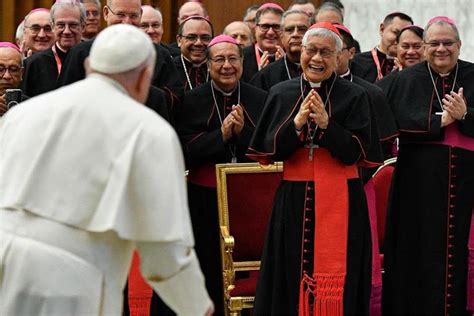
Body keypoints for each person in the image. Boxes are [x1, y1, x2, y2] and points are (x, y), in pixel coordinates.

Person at [0, 23, 213, 316]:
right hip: (70, 280)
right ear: (144, 77)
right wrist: (196, 306)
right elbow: (165, 249)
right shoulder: (149, 131)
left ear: (89, 66)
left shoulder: (22, 113)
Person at [248, 22, 380, 315]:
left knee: (341, 275)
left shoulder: (356, 96)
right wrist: (295, 125)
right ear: (301, 52)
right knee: (289, 270)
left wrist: (326, 126)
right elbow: (267, 152)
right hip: (293, 199)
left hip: (343, 200)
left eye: (325, 53)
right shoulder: (282, 93)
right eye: (311, 51)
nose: (317, 59)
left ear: (338, 58)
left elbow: (356, 154)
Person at [381, 16, 474, 316]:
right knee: (415, 253)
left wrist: (466, 115)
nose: (441, 49)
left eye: (448, 43)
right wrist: (437, 121)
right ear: (424, 48)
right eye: (434, 43)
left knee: (461, 254)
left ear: (460, 46)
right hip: (416, 184)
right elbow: (387, 122)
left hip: (468, 184)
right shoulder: (402, 81)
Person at [176, 35, 267, 315]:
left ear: (242, 62)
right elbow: (184, 149)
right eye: (219, 59)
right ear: (208, 63)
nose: (227, 65)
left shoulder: (260, 98)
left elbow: (268, 146)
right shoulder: (190, 101)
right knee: (208, 266)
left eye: (233, 59)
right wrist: (222, 135)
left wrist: (241, 135)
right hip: (203, 198)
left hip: (249, 201)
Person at [57, 0, 180, 119]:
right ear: (106, 13)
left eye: (133, 16)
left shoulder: (158, 55)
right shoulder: (80, 53)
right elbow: (65, 101)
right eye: (120, 14)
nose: (127, 22)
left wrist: (138, 88)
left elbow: (175, 101)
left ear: (140, 15)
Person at [22, 1, 85, 97]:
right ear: (53, 26)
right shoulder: (33, 64)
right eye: (61, 25)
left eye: (73, 25)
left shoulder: (94, 57)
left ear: (83, 26)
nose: (67, 31)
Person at [249, 9, 310, 90]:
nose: (295, 34)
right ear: (281, 35)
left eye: (302, 29)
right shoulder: (265, 75)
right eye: (290, 30)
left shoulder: (321, 69)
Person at [351, 12, 413, 83]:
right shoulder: (356, 62)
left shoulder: (411, 65)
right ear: (382, 29)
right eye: (396, 32)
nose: (400, 39)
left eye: (405, 35)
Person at [241, 3, 285, 82]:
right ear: (255, 29)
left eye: (276, 27)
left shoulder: (291, 57)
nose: (270, 32)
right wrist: (260, 75)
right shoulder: (241, 57)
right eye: (265, 26)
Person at [174, 16, 213, 92]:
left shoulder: (220, 70)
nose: (198, 43)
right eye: (191, 37)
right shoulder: (169, 69)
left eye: (205, 38)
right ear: (179, 40)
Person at [0, 43, 27, 116]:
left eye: (13, 69)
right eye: (0, 69)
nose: (7, 76)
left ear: (21, 73)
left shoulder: (31, 105)